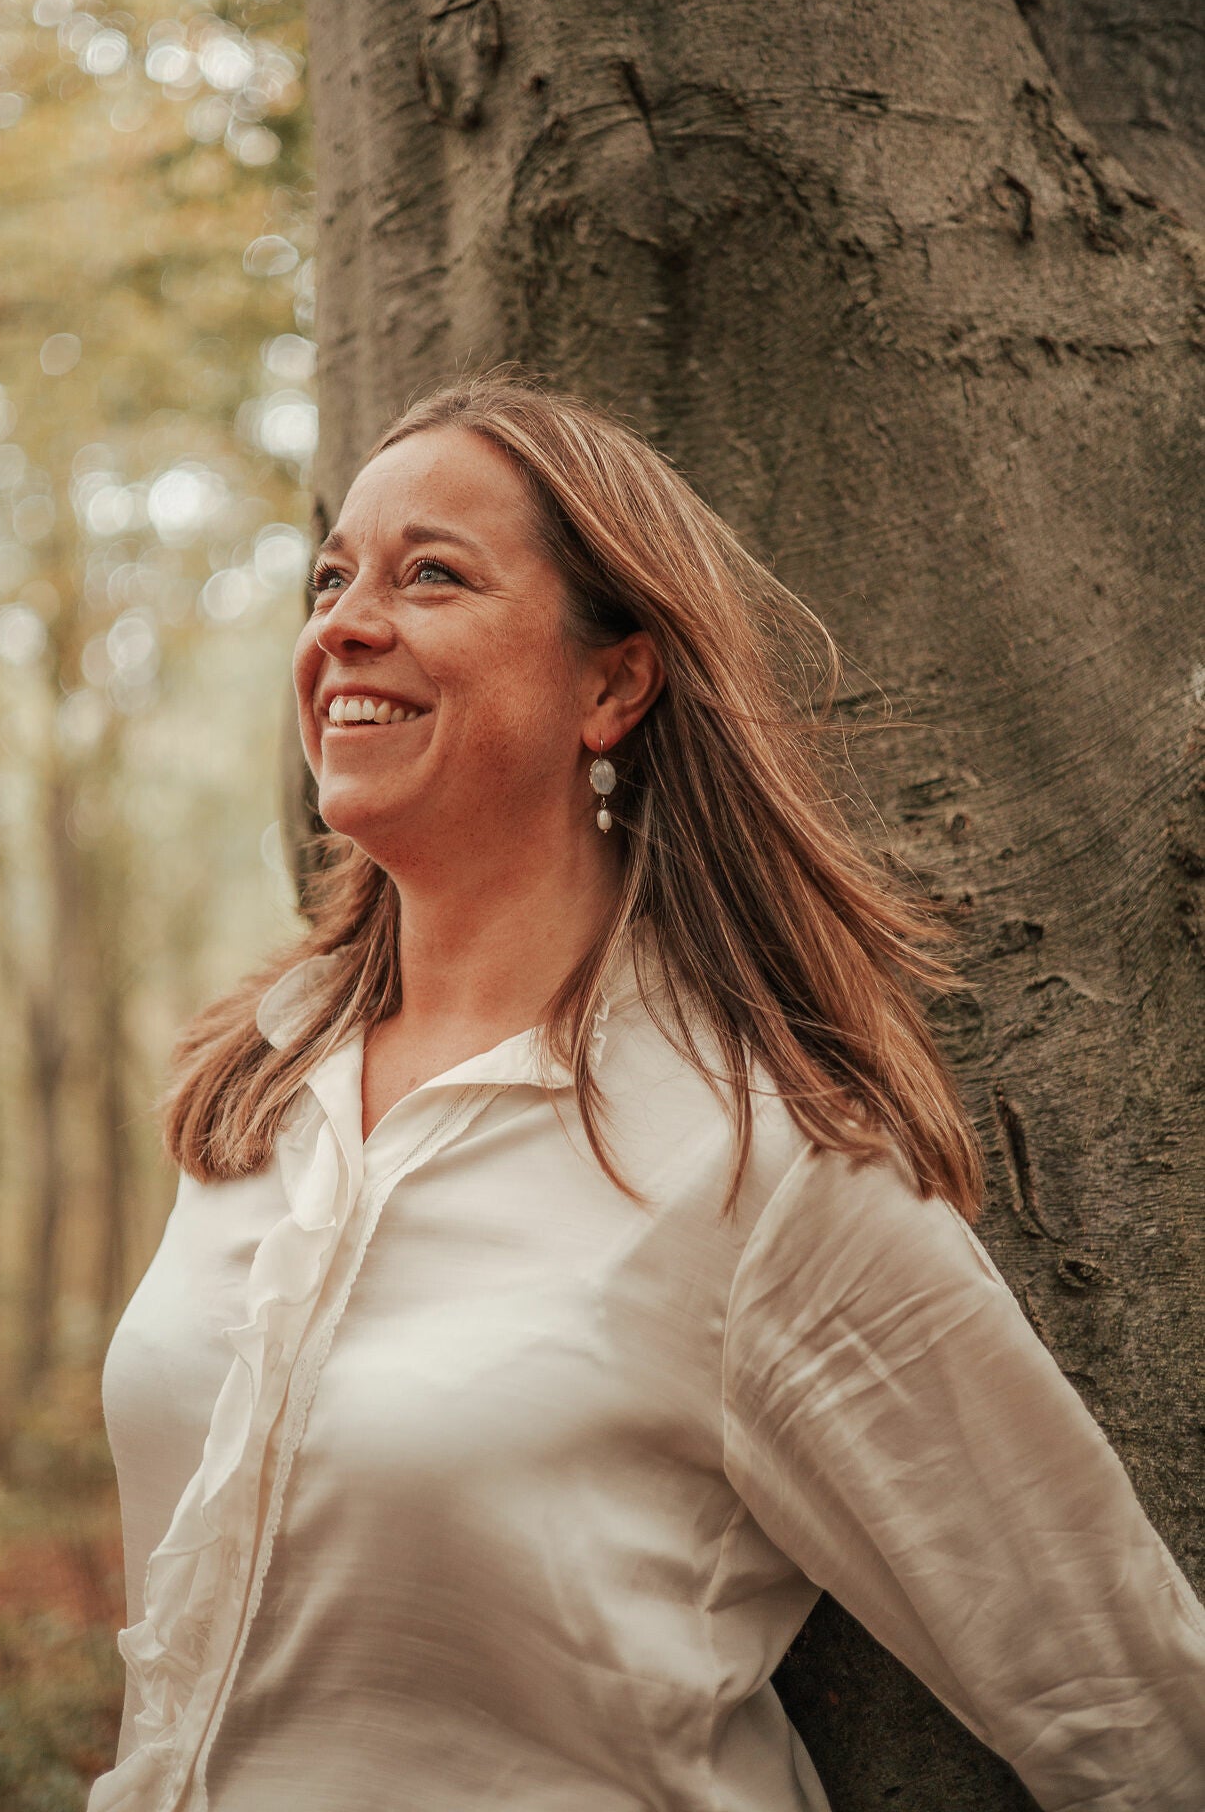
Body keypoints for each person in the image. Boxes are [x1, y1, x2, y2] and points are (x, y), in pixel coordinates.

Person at [90, 369, 1205, 1812]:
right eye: (331, 577)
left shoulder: (754, 1160)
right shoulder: (259, 1088)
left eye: (431, 575)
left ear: (611, 685)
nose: (344, 625)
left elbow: (1128, 1709)